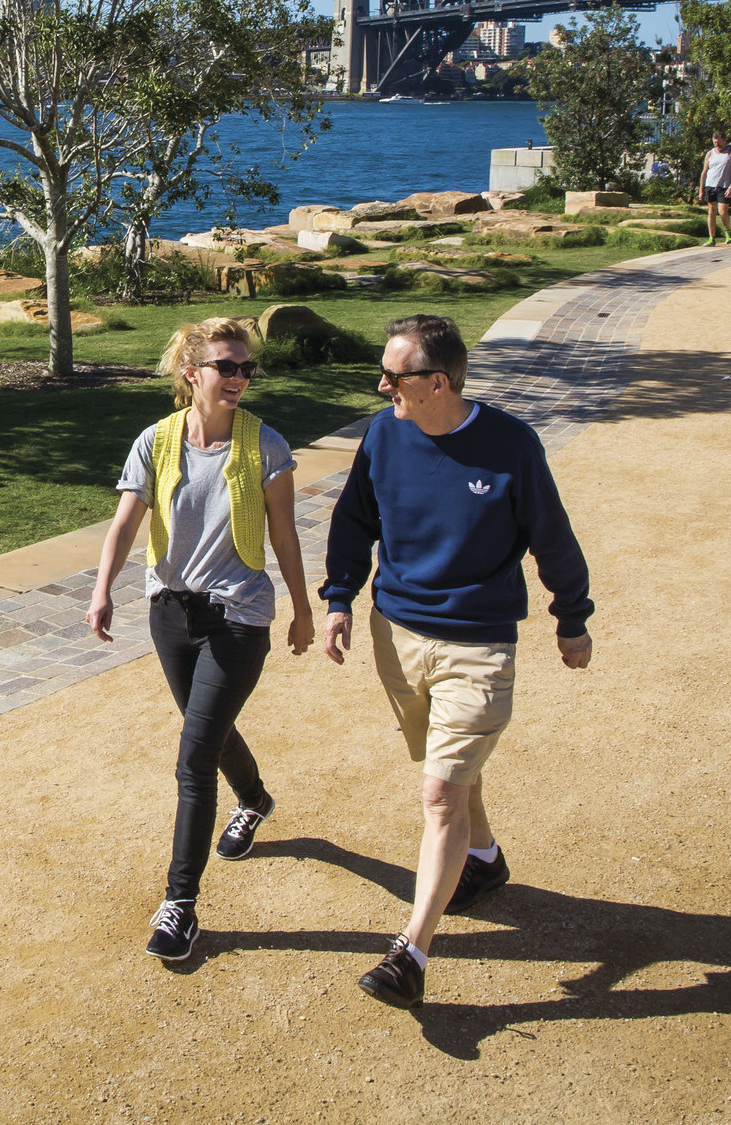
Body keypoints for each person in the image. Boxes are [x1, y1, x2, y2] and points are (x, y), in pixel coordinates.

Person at [320, 314, 594, 1009]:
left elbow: (550, 536)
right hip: (397, 636)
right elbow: (354, 519)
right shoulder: (384, 431)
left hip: (477, 644)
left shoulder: (509, 446)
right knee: (448, 771)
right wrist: (338, 599)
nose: (381, 385)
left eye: (394, 375)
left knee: (439, 792)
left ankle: (410, 951)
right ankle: (484, 858)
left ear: (436, 382)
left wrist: (571, 618)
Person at [89, 317, 316, 962]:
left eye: (247, 368)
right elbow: (124, 524)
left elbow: (285, 536)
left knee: (193, 757)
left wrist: (303, 608)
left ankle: (180, 904)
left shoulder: (266, 445)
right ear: (192, 374)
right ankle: (256, 798)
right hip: (170, 614)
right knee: (205, 728)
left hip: (239, 617)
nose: (241, 378)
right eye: (228, 366)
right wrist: (102, 589)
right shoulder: (156, 442)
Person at [698, 132, 731, 244]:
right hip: (710, 185)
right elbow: (704, 171)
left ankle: (727, 231)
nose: (717, 145)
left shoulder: (730, 153)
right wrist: (701, 189)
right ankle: (712, 238)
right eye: (715, 142)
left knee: (722, 211)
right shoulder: (710, 153)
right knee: (711, 211)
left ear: (724, 141)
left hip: (724, 187)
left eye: (719, 142)